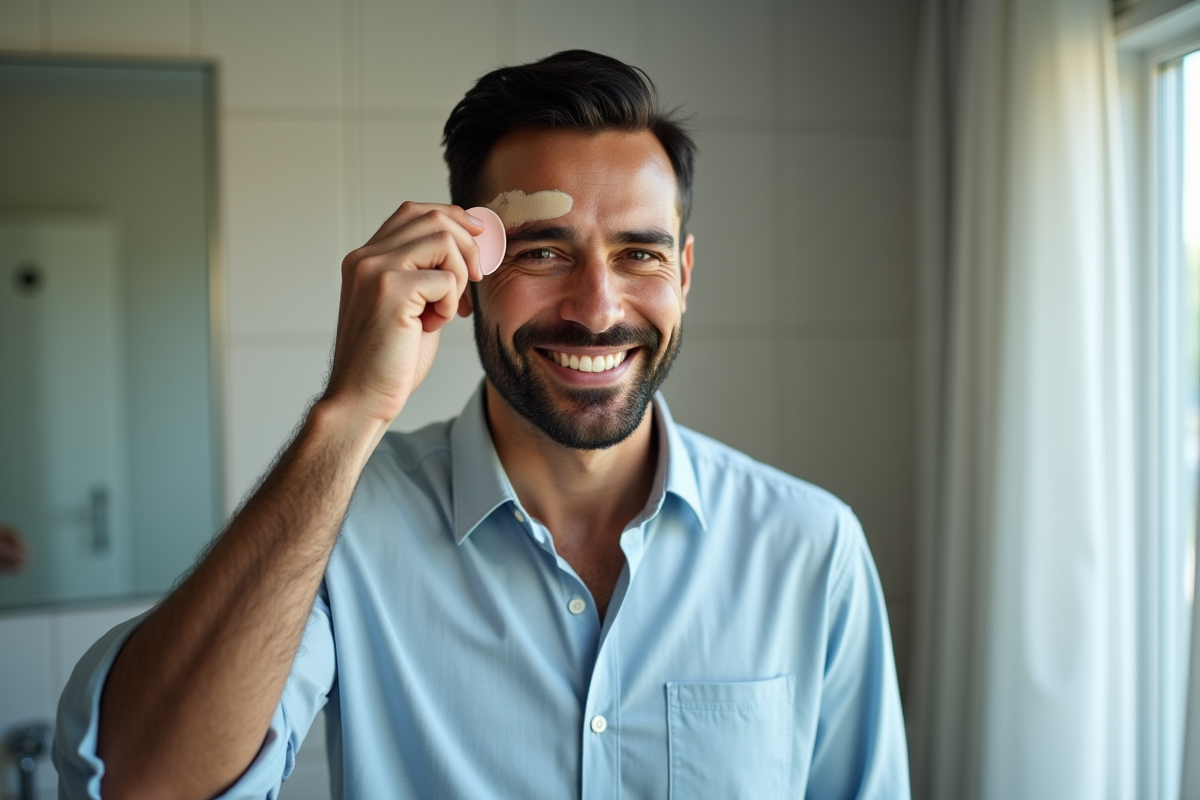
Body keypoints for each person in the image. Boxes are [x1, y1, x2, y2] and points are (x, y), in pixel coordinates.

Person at [55, 50, 909, 799]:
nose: (597, 309)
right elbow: (142, 784)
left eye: (639, 254)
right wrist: (349, 411)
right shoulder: (343, 528)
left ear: (683, 275)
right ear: (466, 275)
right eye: (543, 252)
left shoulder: (811, 546)